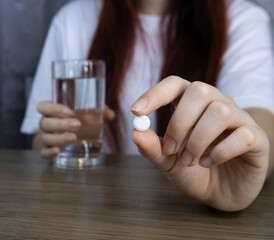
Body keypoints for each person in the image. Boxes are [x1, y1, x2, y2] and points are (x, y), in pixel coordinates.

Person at [21, 0, 274, 211]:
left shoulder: (241, 20)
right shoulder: (72, 19)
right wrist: (58, 136)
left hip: (184, 210)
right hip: (90, 206)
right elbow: (40, 139)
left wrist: (246, 153)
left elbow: (261, 125)